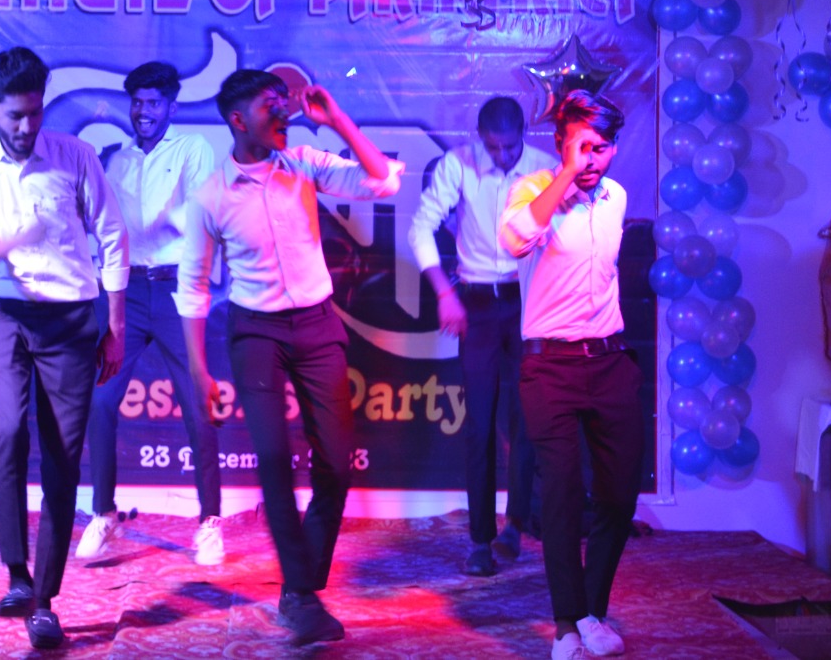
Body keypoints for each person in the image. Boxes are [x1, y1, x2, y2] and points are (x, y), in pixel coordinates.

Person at [178, 70, 402, 646]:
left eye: (285, 103)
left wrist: (337, 120)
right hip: (257, 333)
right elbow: (193, 288)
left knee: (335, 464)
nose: (283, 113)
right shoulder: (211, 196)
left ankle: (300, 587)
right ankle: (302, 598)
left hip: (318, 325)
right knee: (275, 463)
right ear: (237, 120)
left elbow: (382, 183)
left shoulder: (302, 162)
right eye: (269, 106)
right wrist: (200, 371)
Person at [0, 46, 128, 650]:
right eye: (14, 116)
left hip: (71, 320)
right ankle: (17, 575)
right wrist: (8, 244)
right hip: (6, 313)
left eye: (34, 113)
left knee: (62, 457)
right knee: (8, 432)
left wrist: (115, 325)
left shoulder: (75, 156)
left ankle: (46, 602)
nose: (26, 126)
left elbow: (112, 236)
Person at [500, 90, 640, 660]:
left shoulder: (615, 198)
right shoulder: (532, 190)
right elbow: (515, 241)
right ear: (560, 145)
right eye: (582, 147)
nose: (592, 159)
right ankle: (565, 626)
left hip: (608, 360)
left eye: (601, 148)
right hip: (549, 366)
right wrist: (563, 178)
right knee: (559, 494)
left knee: (618, 495)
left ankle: (590, 612)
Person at [77, 61, 223, 565]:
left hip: (176, 290)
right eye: (137, 102)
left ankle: (209, 521)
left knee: (197, 405)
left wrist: (162, 223)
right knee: (100, 400)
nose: (144, 111)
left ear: (171, 107)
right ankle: (103, 514)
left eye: (154, 103)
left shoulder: (192, 149)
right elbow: (106, 227)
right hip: (127, 293)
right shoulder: (116, 160)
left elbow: (200, 214)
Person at [409, 96, 552, 576]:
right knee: (479, 423)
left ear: (524, 135)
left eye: (510, 147)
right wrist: (444, 294)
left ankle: (517, 522)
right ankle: (479, 539)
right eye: (493, 147)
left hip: (528, 303)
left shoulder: (545, 169)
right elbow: (420, 229)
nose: (503, 156)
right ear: (480, 138)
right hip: (477, 304)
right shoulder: (459, 164)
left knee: (527, 416)